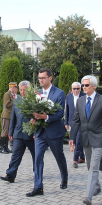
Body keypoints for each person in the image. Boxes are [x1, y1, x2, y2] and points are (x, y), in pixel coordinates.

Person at [69, 75, 102, 205]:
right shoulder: (81, 101)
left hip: (99, 138)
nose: (83, 88)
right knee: (89, 166)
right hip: (85, 138)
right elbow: (76, 121)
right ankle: (96, 186)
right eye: (82, 85)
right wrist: (72, 137)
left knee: (93, 167)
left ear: (94, 86)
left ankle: (88, 196)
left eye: (86, 85)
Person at [26, 68, 68, 197]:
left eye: (43, 78)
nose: (41, 80)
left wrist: (46, 117)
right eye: (39, 78)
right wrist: (33, 118)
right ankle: (38, 187)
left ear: (50, 78)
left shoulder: (59, 93)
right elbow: (32, 110)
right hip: (40, 133)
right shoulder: (36, 93)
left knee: (59, 157)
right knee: (38, 158)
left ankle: (64, 178)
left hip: (54, 132)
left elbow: (60, 113)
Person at [0, 81, 35, 183]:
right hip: (18, 134)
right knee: (15, 155)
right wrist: (10, 132)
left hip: (30, 134)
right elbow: (13, 118)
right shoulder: (16, 101)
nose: (22, 92)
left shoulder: (34, 101)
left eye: (25, 90)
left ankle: (37, 172)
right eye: (21, 90)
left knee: (35, 155)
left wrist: (36, 133)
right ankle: (10, 175)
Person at [65, 82, 86, 168]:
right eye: (74, 89)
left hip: (82, 122)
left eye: (78, 88)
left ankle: (75, 160)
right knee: (77, 140)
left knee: (78, 140)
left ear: (80, 88)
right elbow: (67, 110)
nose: (76, 90)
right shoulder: (69, 97)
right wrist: (66, 122)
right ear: (72, 89)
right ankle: (82, 157)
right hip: (72, 122)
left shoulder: (84, 96)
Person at [0, 82, 17, 154]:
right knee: (4, 132)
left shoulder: (12, 94)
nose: (16, 89)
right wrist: (15, 101)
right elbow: (7, 104)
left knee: (7, 132)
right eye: (15, 88)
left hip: (10, 116)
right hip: (6, 115)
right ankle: (2, 147)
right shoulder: (7, 94)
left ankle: (6, 147)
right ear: (12, 88)